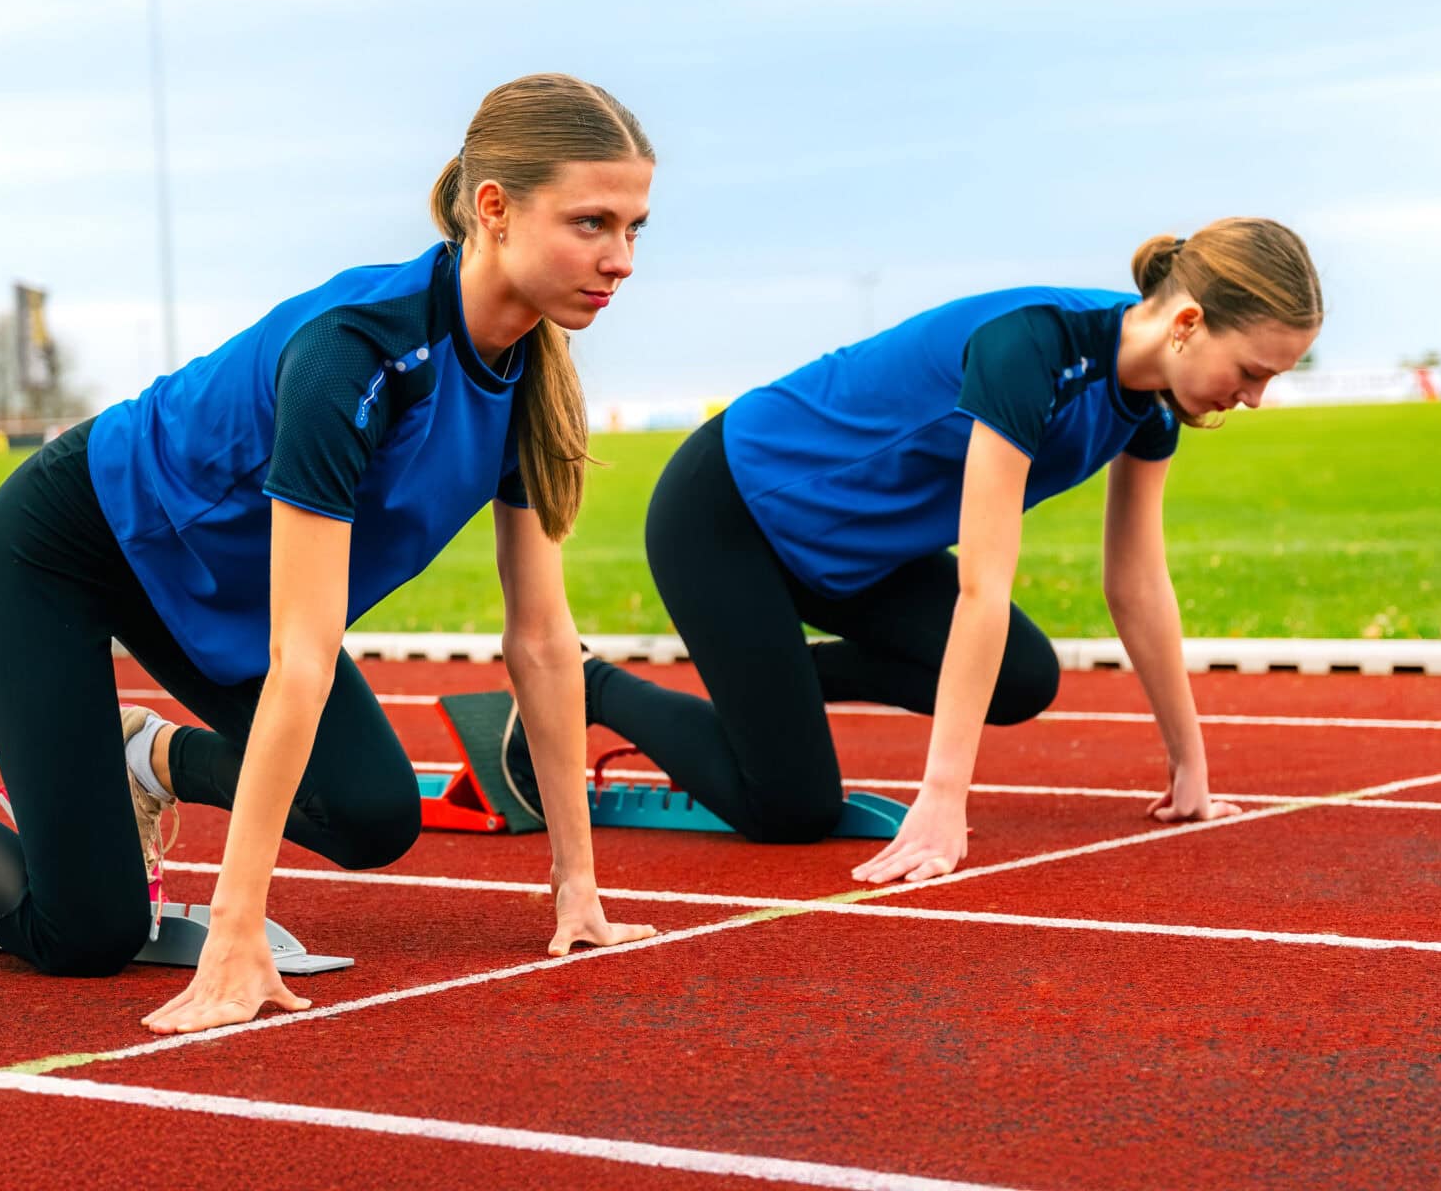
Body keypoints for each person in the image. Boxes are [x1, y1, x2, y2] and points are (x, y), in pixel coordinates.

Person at [0, 73, 661, 1033]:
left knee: (371, 816)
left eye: (635, 228)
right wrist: (237, 929)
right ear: (495, 210)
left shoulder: (528, 378)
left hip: (209, 584)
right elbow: (302, 656)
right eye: (592, 223)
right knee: (87, 934)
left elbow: (546, 646)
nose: (622, 259)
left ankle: (148, 759)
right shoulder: (354, 355)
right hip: (71, 546)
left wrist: (577, 890)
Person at [538, 217, 1322, 886]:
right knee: (790, 810)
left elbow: (1138, 583)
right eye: (1251, 372)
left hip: (859, 556)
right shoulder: (1034, 349)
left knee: (1023, 677)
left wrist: (1190, 767)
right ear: (1187, 323)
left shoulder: (1153, 405)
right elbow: (982, 586)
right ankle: (585, 685)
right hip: (732, 514)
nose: (1252, 399)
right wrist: (943, 797)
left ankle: (761, 699)